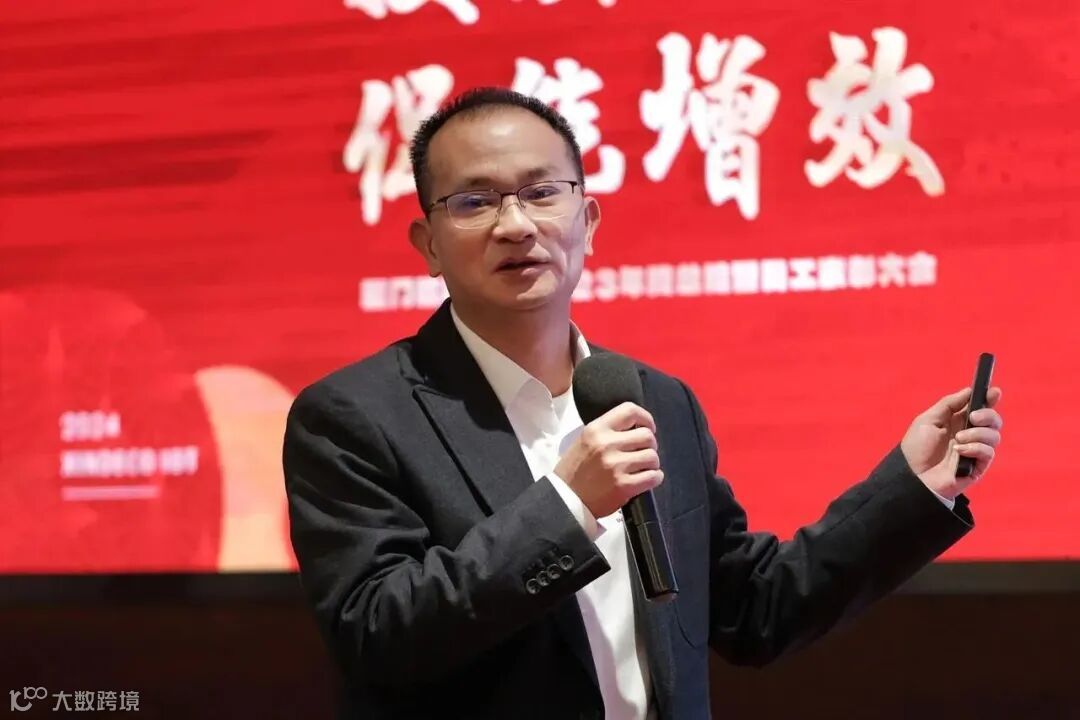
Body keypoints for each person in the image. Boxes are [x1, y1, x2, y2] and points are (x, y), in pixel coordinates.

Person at [282, 88, 1004, 720]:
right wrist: (567, 506)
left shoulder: (653, 399)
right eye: (474, 201)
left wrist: (912, 490)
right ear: (429, 244)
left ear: (588, 221)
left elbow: (753, 609)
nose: (516, 225)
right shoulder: (353, 417)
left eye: (542, 192)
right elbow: (377, 634)